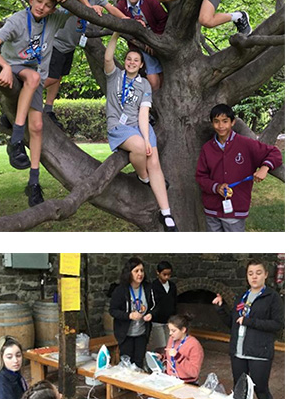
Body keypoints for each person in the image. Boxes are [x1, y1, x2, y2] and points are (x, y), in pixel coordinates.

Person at [0, 0, 88, 207]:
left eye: (49, 5)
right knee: (31, 77)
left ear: (53, 10)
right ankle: (15, 141)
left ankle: (33, 183)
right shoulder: (17, 20)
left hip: (34, 77)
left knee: (38, 127)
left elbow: (84, 10)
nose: (43, 7)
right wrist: (3, 66)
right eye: (40, 1)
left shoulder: (54, 20)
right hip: (12, 68)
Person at [104, 31, 178, 231]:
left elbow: (144, 113)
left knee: (154, 160)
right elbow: (108, 57)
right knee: (139, 148)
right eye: (128, 59)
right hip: (119, 126)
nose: (131, 62)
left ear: (142, 64)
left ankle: (167, 214)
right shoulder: (114, 76)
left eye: (136, 60)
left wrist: (147, 138)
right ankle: (143, 177)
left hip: (138, 126)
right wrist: (116, 33)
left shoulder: (144, 84)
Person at [44, 0, 132, 128]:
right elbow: (83, 7)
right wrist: (91, 8)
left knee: (58, 78)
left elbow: (110, 8)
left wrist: (126, 20)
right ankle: (25, 91)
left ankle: (48, 109)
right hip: (56, 41)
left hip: (69, 45)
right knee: (51, 77)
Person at [212, 258, 284, 399]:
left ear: (265, 275)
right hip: (238, 351)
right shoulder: (242, 296)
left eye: (258, 273)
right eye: (250, 273)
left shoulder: (272, 297)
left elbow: (278, 324)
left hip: (259, 352)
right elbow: (233, 323)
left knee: (260, 389)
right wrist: (220, 309)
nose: (254, 277)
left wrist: (250, 321)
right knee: (240, 388)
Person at [195, 103, 283, 232]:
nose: (221, 126)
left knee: (235, 248)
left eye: (225, 121)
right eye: (216, 122)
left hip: (236, 208)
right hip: (212, 209)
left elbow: (274, 153)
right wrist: (216, 187)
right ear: (212, 123)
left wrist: (265, 168)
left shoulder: (245, 144)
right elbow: (201, 176)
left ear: (233, 122)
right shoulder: (207, 148)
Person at [116, 0, 168, 90]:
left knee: (161, 69)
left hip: (156, 38)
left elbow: (163, 19)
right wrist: (143, 43)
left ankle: (159, 93)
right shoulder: (121, 6)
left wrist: (154, 40)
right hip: (138, 43)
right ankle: (154, 94)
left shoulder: (149, 1)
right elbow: (121, 27)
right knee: (151, 69)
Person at [109, 257, 155, 369]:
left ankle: (136, 385)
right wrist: (129, 315)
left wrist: (151, 314)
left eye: (142, 270)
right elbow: (113, 310)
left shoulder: (148, 288)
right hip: (126, 334)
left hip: (142, 333)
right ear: (129, 273)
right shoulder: (121, 290)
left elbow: (154, 305)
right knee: (126, 363)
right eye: (136, 271)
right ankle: (125, 386)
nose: (140, 274)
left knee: (139, 362)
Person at [160, 313, 204, 399]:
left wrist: (178, 357)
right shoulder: (172, 340)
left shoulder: (194, 345)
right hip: (171, 380)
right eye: (169, 330)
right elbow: (169, 358)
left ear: (183, 330)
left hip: (186, 382)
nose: (170, 334)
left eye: (173, 331)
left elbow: (194, 373)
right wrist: (161, 358)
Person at [148, 260, 177, 352]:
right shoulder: (153, 286)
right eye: (164, 274)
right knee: (160, 346)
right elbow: (152, 303)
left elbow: (175, 302)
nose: (167, 277)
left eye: (169, 275)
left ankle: (167, 364)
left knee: (170, 345)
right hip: (157, 321)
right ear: (158, 272)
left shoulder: (172, 286)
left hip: (169, 321)